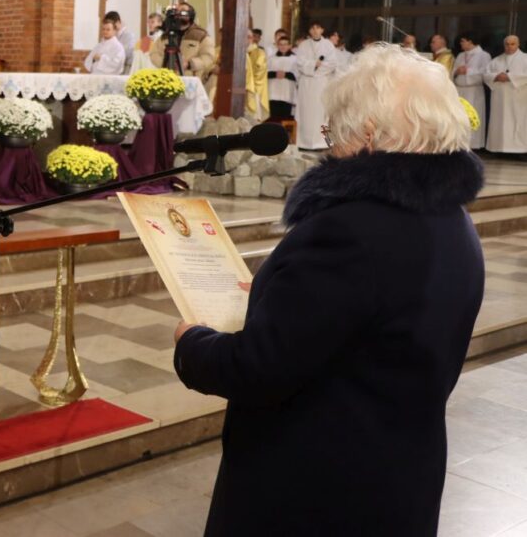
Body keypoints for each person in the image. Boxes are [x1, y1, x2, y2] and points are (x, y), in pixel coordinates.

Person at [174, 43, 484, 536]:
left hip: (317, 488)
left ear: (368, 134)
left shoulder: (351, 230)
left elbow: (260, 367)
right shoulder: (453, 219)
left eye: (333, 132)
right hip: (400, 474)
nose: (329, 147)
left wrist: (191, 343)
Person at [294, 21, 337, 149]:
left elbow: (332, 63)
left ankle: (325, 142)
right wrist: (313, 65)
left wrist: (317, 69)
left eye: (318, 28)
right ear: (309, 31)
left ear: (322, 30)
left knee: (322, 114)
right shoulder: (303, 45)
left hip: (321, 83)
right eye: (312, 28)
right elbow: (300, 63)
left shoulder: (328, 45)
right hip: (307, 84)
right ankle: (303, 142)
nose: (315, 30)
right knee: (305, 113)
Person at [483, 35, 527, 155]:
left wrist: (509, 77)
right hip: (500, 99)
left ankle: (520, 151)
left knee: (518, 122)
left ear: (518, 44)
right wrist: (496, 76)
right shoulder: (496, 60)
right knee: (500, 122)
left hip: (518, 98)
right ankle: (499, 149)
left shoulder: (525, 58)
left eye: (512, 44)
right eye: (507, 44)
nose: (509, 46)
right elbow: (486, 74)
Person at [150, 2, 216, 80]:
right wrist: (168, 64)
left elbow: (208, 57)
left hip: (191, 81)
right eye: (177, 11)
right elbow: (154, 54)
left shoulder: (200, 35)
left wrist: (189, 64)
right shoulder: (166, 36)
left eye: (183, 10)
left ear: (190, 15)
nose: (179, 13)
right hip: (169, 79)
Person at [452, 32, 491, 149]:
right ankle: (459, 143)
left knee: (473, 116)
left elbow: (485, 72)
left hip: (474, 90)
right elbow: (453, 70)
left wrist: (468, 71)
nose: (461, 43)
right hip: (460, 90)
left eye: (463, 41)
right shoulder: (460, 55)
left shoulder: (484, 55)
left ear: (470, 41)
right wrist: (456, 71)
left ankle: (473, 144)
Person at [266, 35, 297, 118]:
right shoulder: (271, 59)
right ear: (277, 45)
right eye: (281, 44)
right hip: (273, 92)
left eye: (285, 44)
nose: (283, 46)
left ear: (290, 46)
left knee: (285, 117)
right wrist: (275, 74)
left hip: (287, 92)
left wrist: (286, 74)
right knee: (273, 117)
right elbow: (265, 73)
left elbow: (298, 75)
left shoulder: (295, 59)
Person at [245, 29, 269, 121]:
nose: (246, 40)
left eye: (248, 37)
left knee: (252, 120)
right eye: (243, 37)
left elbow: (260, 72)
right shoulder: (236, 51)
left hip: (252, 89)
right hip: (237, 88)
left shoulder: (260, 52)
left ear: (252, 39)